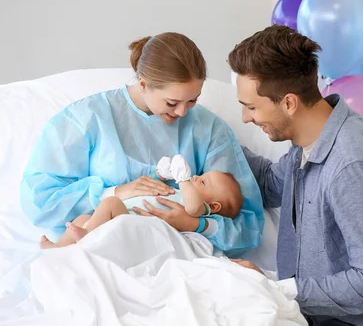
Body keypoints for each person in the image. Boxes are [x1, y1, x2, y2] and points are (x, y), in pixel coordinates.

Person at [227, 25, 363, 325]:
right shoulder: (306, 144)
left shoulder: (354, 166)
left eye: (252, 107)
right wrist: (216, 140)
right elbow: (269, 186)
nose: (246, 117)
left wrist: (280, 289)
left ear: (289, 102)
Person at [20, 32, 263, 257]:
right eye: (171, 102)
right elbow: (41, 201)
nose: (182, 111)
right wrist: (113, 193)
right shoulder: (87, 119)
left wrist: (197, 223)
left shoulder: (209, 129)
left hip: (169, 255)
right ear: (143, 84)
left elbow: (246, 224)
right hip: (97, 249)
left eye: (192, 100)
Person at [40, 155, 244, 249]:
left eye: (204, 181)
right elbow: (150, 191)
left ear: (214, 206)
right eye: (201, 175)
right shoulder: (179, 189)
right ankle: (59, 249)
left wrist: (184, 180)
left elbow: (193, 208)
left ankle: (86, 237)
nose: (196, 177)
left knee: (111, 203)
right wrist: (159, 176)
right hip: (124, 217)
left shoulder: (200, 207)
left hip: (133, 227)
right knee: (83, 217)